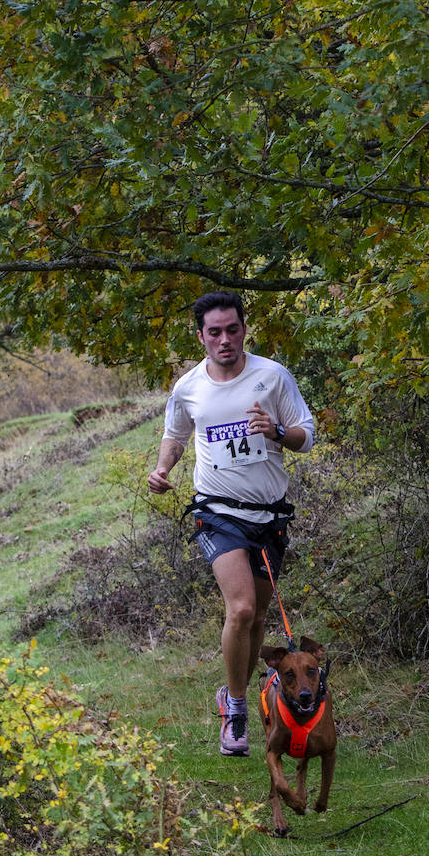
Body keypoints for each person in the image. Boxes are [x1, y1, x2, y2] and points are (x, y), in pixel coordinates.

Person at [148, 291, 316, 756]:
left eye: (233, 329)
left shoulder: (272, 377)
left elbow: (308, 434)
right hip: (217, 512)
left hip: (271, 515)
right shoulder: (189, 387)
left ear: (244, 328)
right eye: (214, 332)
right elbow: (176, 433)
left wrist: (278, 432)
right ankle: (237, 707)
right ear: (200, 336)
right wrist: (163, 470)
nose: (225, 340)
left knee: (259, 617)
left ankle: (235, 691)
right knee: (240, 609)